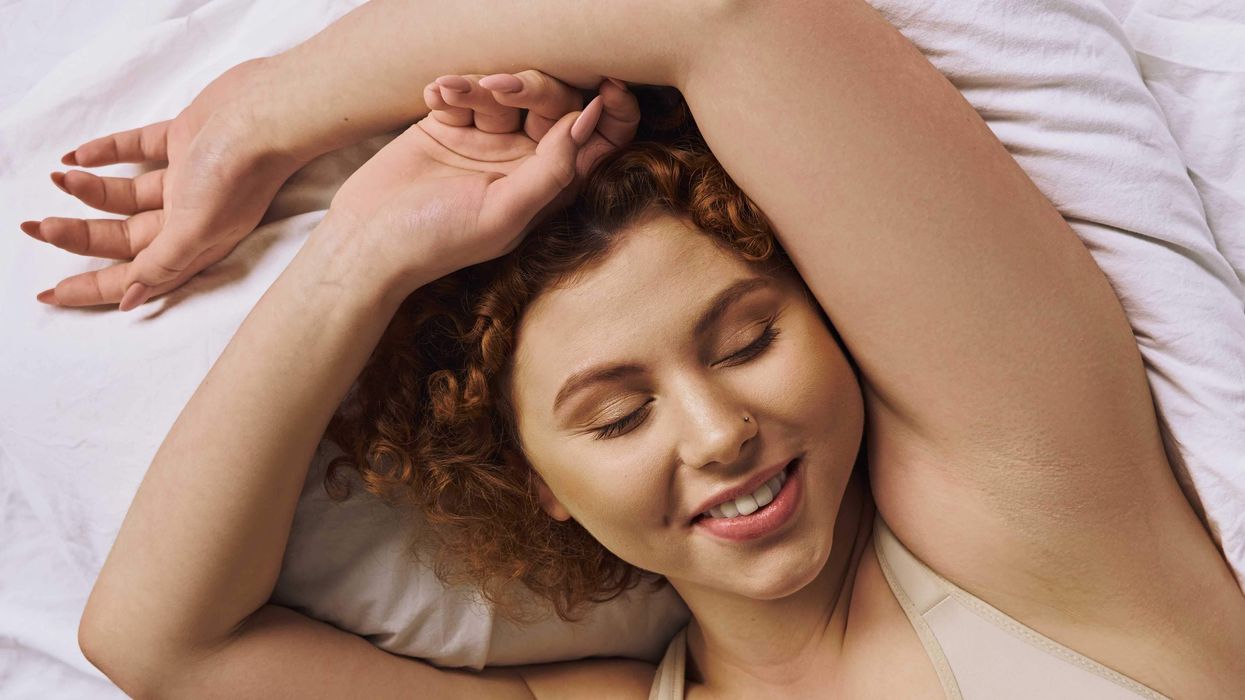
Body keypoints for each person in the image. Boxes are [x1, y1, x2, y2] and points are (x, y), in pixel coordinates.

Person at [45, 2, 1243, 698]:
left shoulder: (1025, 507)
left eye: (750, 339)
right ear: (537, 490)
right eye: (617, 418)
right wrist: (358, 256)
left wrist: (272, 109)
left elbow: (724, 19)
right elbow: (163, 642)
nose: (720, 432)